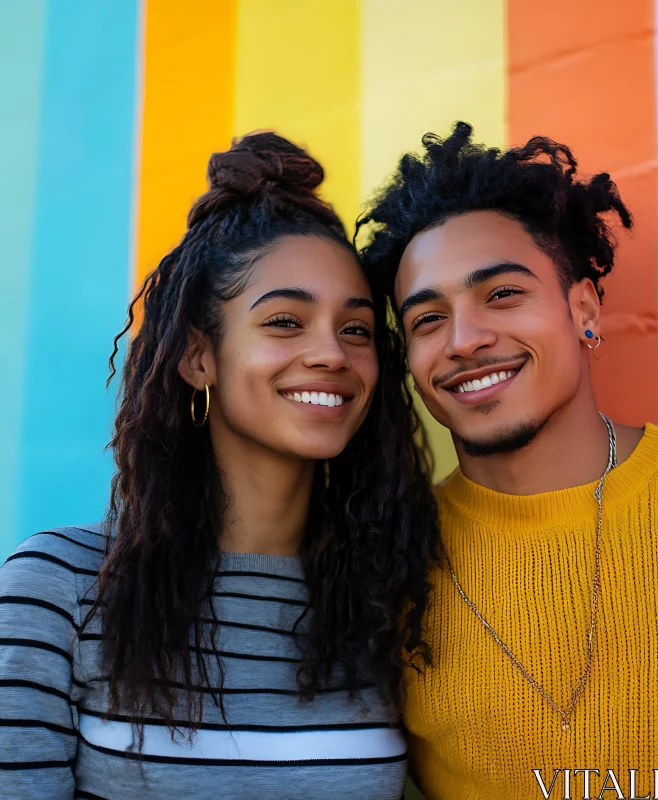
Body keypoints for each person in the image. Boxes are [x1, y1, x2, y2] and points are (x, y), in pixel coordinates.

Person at [357, 122, 658, 800]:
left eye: (502, 294)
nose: (466, 339)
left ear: (584, 310)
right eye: (427, 320)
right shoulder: (389, 573)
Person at [0, 132, 439, 798]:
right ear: (198, 357)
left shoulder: (386, 602)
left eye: (356, 329)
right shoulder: (59, 589)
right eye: (286, 322)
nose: (331, 353)